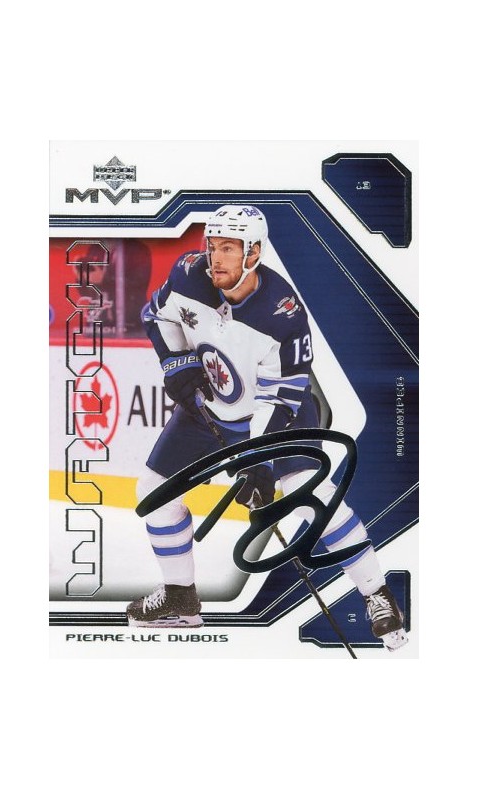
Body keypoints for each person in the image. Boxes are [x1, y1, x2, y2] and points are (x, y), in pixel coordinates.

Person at [127, 205, 407, 651]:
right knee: (154, 491)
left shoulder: (284, 313)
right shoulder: (188, 275)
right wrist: (176, 362)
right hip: (208, 409)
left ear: (253, 253)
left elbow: (282, 397)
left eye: (229, 248)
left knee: (308, 496)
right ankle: (181, 597)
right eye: (212, 246)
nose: (216, 257)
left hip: (280, 417)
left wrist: (257, 460)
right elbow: (155, 315)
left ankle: (377, 594)